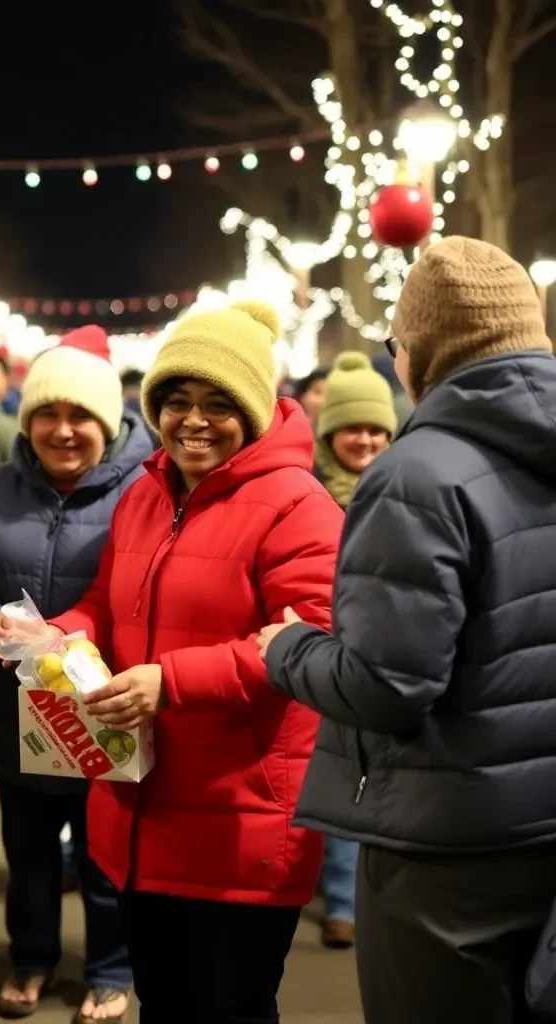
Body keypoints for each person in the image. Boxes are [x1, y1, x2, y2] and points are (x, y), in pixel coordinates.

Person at [0, 301, 343, 1022]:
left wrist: (170, 681)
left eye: (219, 404)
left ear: (254, 409)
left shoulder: (298, 506)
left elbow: (310, 640)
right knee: (166, 1002)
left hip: (239, 818)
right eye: (176, 401)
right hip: (138, 810)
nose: (194, 420)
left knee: (230, 1007)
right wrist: (54, 633)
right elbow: (106, 599)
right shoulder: (147, 494)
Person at [260, 237, 556, 1024]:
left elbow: (387, 688)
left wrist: (286, 650)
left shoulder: (416, 472)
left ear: (421, 351)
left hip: (445, 843)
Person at [0, 331, 152, 1022]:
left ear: (108, 421)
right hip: (17, 704)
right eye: (48, 415)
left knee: (103, 854)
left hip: (102, 707)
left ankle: (111, 969)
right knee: (27, 850)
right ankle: (31, 959)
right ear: (26, 420)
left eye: (80, 416)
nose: (63, 431)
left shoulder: (147, 489)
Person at [310, 350, 397, 949]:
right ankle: (342, 898)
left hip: (389, 650)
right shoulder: (310, 492)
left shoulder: (407, 483)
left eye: (374, 429)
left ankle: (362, 894)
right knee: (340, 771)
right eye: (350, 427)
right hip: (325, 649)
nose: (363, 439)